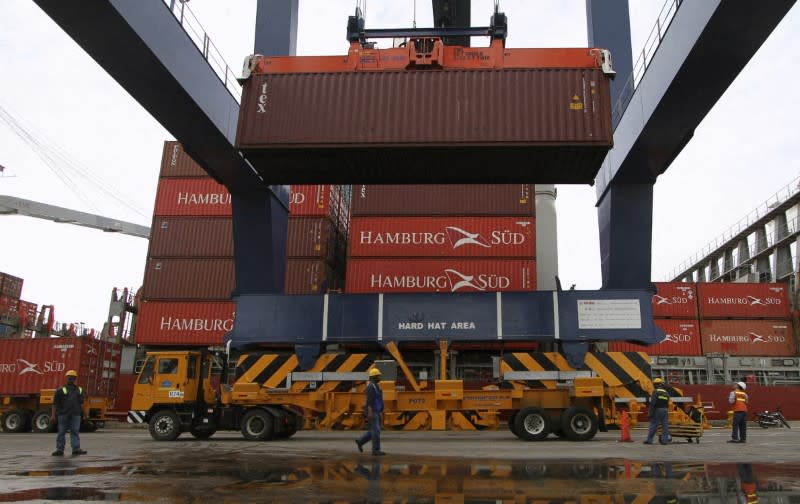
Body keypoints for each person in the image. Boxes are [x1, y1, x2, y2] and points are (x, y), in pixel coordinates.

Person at [51, 370, 87, 456]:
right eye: (70, 378)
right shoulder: (60, 390)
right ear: (67, 378)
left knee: (74, 431)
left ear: (75, 379)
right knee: (62, 431)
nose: (71, 379)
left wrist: (85, 414)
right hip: (63, 414)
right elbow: (55, 403)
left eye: (73, 378)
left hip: (75, 414)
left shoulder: (79, 390)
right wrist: (53, 415)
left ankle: (76, 448)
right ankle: (59, 449)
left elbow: (82, 403)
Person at [355, 367, 385, 456]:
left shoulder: (376, 386)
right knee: (376, 431)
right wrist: (370, 412)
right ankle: (376, 450)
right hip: (372, 411)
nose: (380, 377)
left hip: (377, 411)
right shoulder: (370, 387)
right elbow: (369, 401)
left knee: (374, 431)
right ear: (374, 377)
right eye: (378, 376)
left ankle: (360, 441)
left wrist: (381, 411)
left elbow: (379, 399)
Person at [644, 377, 671, 445]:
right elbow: (668, 401)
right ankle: (665, 441)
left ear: (655, 385)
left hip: (657, 410)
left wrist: (650, 413)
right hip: (665, 410)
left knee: (653, 425)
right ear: (661, 384)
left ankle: (649, 440)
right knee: (665, 425)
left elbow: (653, 403)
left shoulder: (655, 392)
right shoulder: (666, 392)